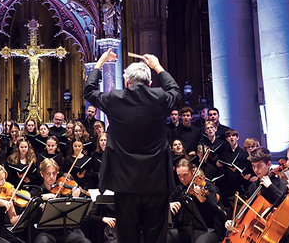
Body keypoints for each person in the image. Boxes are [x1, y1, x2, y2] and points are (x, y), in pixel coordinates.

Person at [84, 49, 181, 243]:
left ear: (127, 82)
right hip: (156, 183)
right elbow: (176, 92)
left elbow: (89, 91)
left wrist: (100, 63)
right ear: (150, 83)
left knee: (128, 238)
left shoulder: (114, 98)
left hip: (125, 184)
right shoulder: (160, 97)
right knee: (156, 238)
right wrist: (157, 66)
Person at [224, 147, 287, 233]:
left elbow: (285, 204)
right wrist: (234, 222)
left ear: (269, 164)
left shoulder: (281, 184)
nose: (256, 170)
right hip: (254, 231)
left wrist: (271, 187)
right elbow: (248, 213)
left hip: (274, 231)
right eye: (253, 166)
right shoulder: (252, 187)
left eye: (259, 166)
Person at [29, 158, 91, 243]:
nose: (51, 177)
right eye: (48, 174)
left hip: (64, 231)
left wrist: (74, 198)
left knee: (85, 242)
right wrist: (42, 197)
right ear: (42, 174)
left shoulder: (63, 191)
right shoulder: (37, 191)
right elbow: (30, 200)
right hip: (45, 232)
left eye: (54, 173)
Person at [167, 159, 226, 243]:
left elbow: (214, 211)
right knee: (165, 236)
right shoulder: (180, 189)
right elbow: (168, 202)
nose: (182, 179)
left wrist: (203, 200)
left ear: (193, 171)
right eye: (179, 175)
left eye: (185, 175)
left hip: (208, 229)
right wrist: (169, 204)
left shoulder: (207, 187)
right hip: (186, 229)